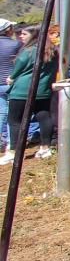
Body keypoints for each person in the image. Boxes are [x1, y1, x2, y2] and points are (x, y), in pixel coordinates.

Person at [3, 26, 58, 163]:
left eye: (24, 34)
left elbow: (18, 68)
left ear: (34, 36)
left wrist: (11, 77)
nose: (21, 36)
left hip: (22, 90)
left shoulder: (29, 51)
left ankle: (13, 151)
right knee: (44, 116)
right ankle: (45, 148)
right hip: (43, 90)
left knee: (15, 120)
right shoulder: (52, 51)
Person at [0, 18, 21, 162]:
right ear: (8, 30)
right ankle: (9, 142)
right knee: (11, 115)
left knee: (1, 111)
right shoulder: (16, 45)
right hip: (10, 82)